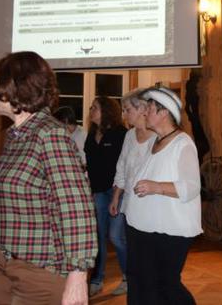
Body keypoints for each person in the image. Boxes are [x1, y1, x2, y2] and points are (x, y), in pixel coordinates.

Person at [0, 51, 97, 305]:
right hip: (1, 261)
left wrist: (78, 275)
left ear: (18, 88)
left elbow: (76, 207)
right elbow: (6, 208)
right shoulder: (14, 136)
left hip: (40, 269)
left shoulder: (50, 135)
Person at [126, 86, 201, 305]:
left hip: (170, 230)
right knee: (142, 282)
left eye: (149, 109)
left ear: (164, 112)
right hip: (143, 227)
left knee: (166, 284)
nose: (145, 113)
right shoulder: (154, 141)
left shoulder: (183, 143)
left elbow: (191, 186)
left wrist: (156, 187)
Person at [108, 88, 155, 296]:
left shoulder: (158, 137)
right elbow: (121, 168)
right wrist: (116, 197)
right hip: (128, 201)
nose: (124, 114)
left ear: (142, 109)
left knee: (145, 249)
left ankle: (144, 284)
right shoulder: (129, 135)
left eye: (127, 109)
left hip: (149, 204)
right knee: (121, 240)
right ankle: (131, 280)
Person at [84, 96, 127, 296]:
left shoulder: (121, 134)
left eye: (95, 107)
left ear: (106, 111)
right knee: (98, 237)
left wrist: (118, 193)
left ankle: (128, 277)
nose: (90, 110)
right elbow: (91, 165)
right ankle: (97, 279)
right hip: (98, 192)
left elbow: (125, 166)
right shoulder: (91, 135)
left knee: (116, 237)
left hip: (117, 191)